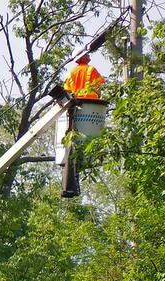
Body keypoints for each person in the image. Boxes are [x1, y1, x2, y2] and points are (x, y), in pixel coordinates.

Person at [60, 53, 105, 197]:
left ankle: (72, 181)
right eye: (87, 55)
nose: (90, 56)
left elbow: (66, 89)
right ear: (83, 58)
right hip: (90, 107)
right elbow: (99, 85)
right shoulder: (91, 70)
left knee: (74, 146)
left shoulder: (71, 72)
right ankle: (73, 181)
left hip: (75, 108)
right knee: (85, 146)